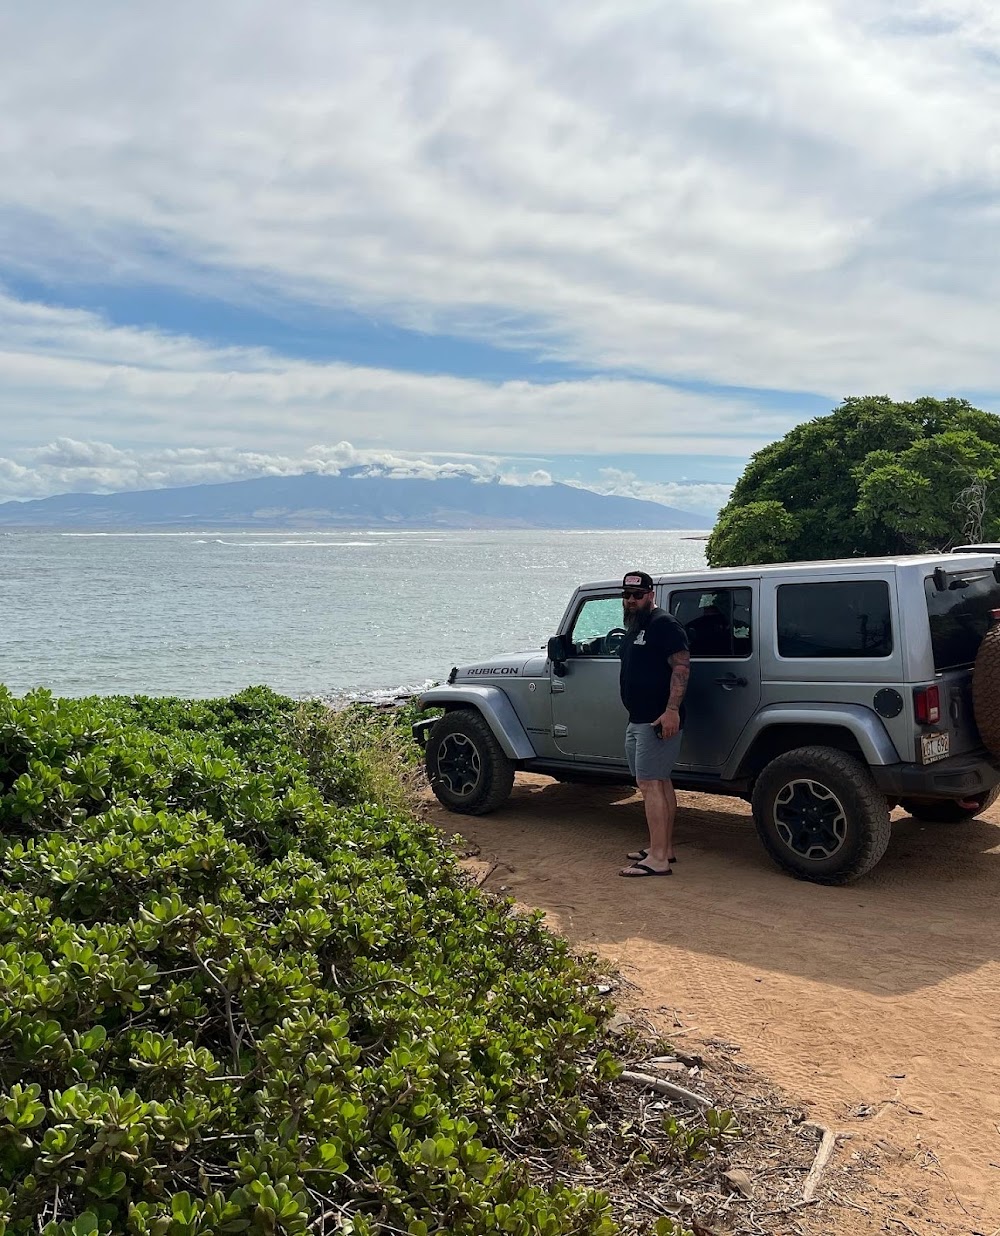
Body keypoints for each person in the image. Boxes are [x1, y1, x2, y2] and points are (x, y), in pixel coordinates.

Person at [617, 570, 690, 877]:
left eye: (638, 595)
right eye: (627, 595)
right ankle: (663, 849)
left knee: (649, 785)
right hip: (639, 717)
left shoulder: (664, 624)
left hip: (657, 719)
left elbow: (682, 667)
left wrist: (672, 709)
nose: (631, 600)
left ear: (651, 595)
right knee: (658, 781)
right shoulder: (637, 626)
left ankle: (657, 860)